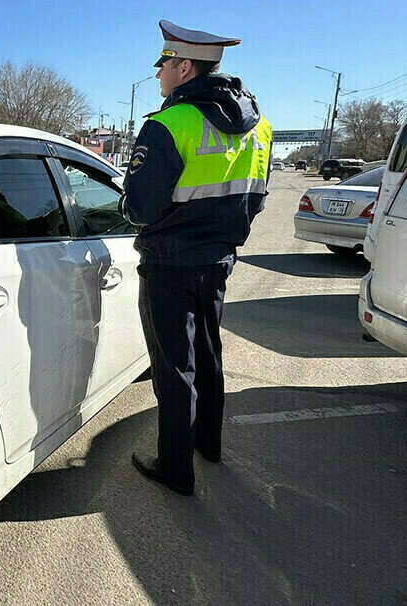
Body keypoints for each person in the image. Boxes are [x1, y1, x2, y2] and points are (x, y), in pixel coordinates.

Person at [118, 20, 272, 496]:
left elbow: (140, 207)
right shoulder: (260, 127)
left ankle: (175, 469)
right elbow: (258, 196)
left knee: (173, 365)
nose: (160, 73)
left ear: (184, 67)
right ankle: (209, 445)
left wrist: (133, 207)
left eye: (163, 65)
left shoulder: (167, 124)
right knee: (208, 355)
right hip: (220, 260)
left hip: (169, 262)